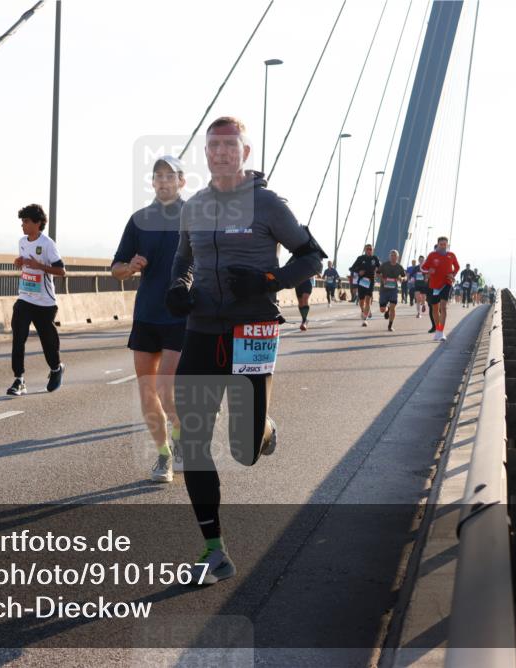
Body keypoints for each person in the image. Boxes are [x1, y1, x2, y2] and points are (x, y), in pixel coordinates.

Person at [166, 117, 325, 585]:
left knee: (244, 449)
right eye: (213, 146)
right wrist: (179, 286)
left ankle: (264, 428)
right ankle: (214, 550)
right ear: (206, 154)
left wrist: (269, 280)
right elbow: (183, 259)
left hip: (252, 329)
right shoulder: (194, 206)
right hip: (201, 329)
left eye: (229, 146)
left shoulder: (268, 204)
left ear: (245, 153)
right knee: (193, 440)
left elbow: (312, 256)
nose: (220, 153)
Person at [111, 156, 187, 483]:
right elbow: (116, 268)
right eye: (159, 176)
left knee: (166, 389)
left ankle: (182, 436)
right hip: (146, 314)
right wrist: (130, 267)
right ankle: (164, 455)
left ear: (182, 181)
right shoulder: (139, 220)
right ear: (153, 182)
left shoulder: (195, 216)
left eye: (170, 176)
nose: (164, 181)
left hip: (181, 314)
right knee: (147, 391)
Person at [7, 204, 66, 396]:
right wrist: (19, 262)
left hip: (45, 302)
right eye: (22, 221)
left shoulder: (47, 244)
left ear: (38, 223)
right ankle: (19, 379)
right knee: (18, 337)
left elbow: (61, 271)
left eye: (26, 221)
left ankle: (56, 368)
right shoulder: (22, 241)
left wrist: (39, 265)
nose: (22, 225)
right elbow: (25, 263)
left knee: (48, 342)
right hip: (25, 298)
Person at [421, 236, 460, 342]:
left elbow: (457, 267)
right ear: (438, 244)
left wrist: (453, 274)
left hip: (446, 283)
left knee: (443, 307)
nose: (443, 246)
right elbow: (423, 268)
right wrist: (429, 271)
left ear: (447, 245)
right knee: (435, 308)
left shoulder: (451, 255)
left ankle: (441, 332)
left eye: (444, 244)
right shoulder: (432, 255)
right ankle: (438, 330)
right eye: (441, 244)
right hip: (434, 285)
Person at [349, 244, 381, 327]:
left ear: (373, 250)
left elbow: (380, 268)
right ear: (364, 250)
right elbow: (352, 268)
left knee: (368, 300)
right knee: (361, 301)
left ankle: (365, 320)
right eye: (367, 249)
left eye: (370, 249)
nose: (369, 250)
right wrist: (359, 271)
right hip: (361, 281)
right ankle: (364, 311)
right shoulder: (360, 258)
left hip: (370, 281)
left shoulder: (375, 258)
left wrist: (378, 273)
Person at [377, 250, 406, 332]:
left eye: (395, 255)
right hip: (384, 290)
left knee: (393, 307)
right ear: (389, 256)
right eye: (392, 255)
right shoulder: (384, 265)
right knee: (382, 310)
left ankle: (390, 326)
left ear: (397, 257)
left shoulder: (399, 267)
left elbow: (405, 276)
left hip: (393, 290)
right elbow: (377, 273)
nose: (393, 257)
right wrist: (382, 278)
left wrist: (402, 278)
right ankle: (387, 309)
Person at [413, 255, 429, 320]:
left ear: (424, 260)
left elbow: (428, 274)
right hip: (417, 284)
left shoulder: (426, 267)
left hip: (424, 285)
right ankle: (418, 313)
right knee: (418, 299)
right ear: (418, 260)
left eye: (422, 260)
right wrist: (411, 278)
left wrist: (427, 278)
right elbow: (412, 274)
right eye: (420, 260)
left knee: (423, 299)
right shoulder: (416, 268)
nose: (421, 261)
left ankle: (424, 304)